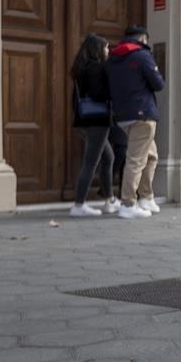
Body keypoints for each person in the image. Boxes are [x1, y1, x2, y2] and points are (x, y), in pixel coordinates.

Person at [105, 25, 165, 219]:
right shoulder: (141, 55)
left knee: (151, 156)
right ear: (142, 38)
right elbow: (158, 84)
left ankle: (146, 197)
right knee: (136, 160)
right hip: (142, 115)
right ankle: (128, 204)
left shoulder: (113, 58)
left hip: (123, 116)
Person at [69, 33, 119, 217]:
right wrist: (112, 91)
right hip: (97, 121)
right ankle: (79, 204)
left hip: (83, 120)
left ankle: (110, 200)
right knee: (91, 162)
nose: (108, 50)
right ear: (97, 50)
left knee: (108, 157)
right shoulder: (96, 68)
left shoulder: (80, 68)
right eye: (106, 47)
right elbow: (99, 93)